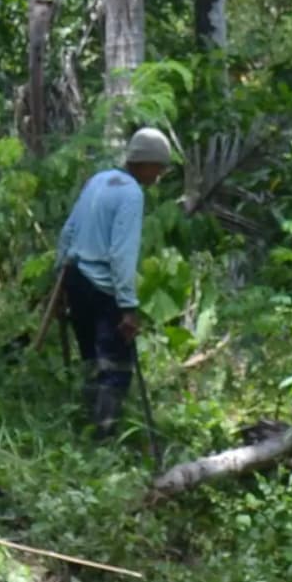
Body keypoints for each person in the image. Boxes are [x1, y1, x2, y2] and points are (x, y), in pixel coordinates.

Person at [57, 125, 180, 444]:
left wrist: (60, 277)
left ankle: (85, 428)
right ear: (147, 164)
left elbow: (67, 232)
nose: (160, 175)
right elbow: (121, 255)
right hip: (102, 288)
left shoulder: (97, 181)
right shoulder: (131, 193)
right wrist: (128, 307)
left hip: (76, 278)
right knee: (116, 367)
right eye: (160, 168)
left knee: (90, 359)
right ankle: (104, 438)